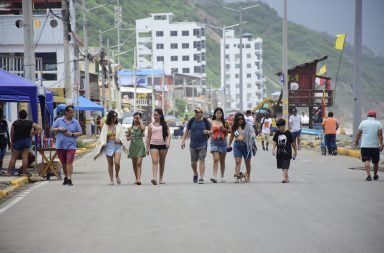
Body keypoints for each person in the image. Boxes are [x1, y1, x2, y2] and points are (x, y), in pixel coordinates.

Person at [94, 111, 129, 185]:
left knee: (117, 162)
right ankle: (111, 179)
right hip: (108, 145)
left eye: (116, 116)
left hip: (117, 145)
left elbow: (122, 136)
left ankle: (117, 174)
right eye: (113, 117)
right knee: (110, 164)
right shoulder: (105, 126)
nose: (115, 118)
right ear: (110, 117)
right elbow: (102, 136)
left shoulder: (119, 125)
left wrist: (119, 140)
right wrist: (103, 143)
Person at [51, 105, 82, 186]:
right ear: (66, 112)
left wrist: (71, 134)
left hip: (71, 145)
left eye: (73, 112)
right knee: (64, 163)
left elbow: (80, 132)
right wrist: (59, 129)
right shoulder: (59, 120)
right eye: (71, 112)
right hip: (60, 145)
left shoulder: (75, 122)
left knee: (69, 161)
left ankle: (69, 178)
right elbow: (51, 129)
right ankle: (65, 176)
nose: (72, 114)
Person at [181, 106, 211, 184]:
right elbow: (186, 131)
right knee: (193, 163)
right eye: (195, 112)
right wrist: (183, 141)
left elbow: (212, 131)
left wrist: (208, 132)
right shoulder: (191, 121)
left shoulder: (205, 121)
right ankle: (195, 173)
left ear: (202, 113)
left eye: (198, 112)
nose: (196, 114)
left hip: (203, 144)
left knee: (202, 161)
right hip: (193, 145)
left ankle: (201, 178)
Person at [7, 110, 41, 176]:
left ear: (19, 116)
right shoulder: (30, 122)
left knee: (13, 157)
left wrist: (12, 142)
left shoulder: (15, 123)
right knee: (25, 157)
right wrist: (33, 133)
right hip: (27, 141)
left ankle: (9, 172)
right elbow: (39, 128)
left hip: (17, 141)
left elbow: (12, 133)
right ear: (26, 116)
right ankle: (24, 172)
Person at [354, 111, 383, 181]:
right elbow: (380, 135)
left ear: (367, 116)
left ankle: (368, 175)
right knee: (376, 162)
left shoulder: (363, 123)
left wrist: (356, 141)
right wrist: (381, 144)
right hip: (375, 146)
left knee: (366, 160)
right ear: (375, 116)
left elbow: (359, 133)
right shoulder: (378, 123)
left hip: (365, 145)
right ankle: (375, 175)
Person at [228, 112, 255, 183]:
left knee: (247, 163)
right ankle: (237, 177)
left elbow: (253, 133)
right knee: (237, 161)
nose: (240, 120)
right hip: (237, 145)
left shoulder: (248, 125)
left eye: (241, 118)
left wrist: (252, 136)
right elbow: (231, 136)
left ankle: (248, 176)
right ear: (236, 120)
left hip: (246, 145)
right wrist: (229, 144)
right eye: (238, 119)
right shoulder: (234, 127)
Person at [146, 108, 171, 185]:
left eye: (156, 115)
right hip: (153, 145)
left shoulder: (164, 124)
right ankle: (154, 178)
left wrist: (167, 142)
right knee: (154, 161)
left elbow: (169, 134)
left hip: (163, 145)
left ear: (160, 115)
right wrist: (147, 148)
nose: (154, 116)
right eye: (154, 115)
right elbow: (148, 137)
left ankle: (161, 178)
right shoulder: (151, 125)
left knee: (162, 162)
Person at [209, 107, 231, 183]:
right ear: (215, 114)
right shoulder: (211, 121)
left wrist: (224, 130)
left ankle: (222, 176)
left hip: (223, 142)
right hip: (214, 141)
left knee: (222, 160)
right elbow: (209, 131)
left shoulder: (225, 122)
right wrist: (208, 132)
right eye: (217, 113)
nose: (219, 114)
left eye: (220, 113)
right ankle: (214, 176)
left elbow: (231, 131)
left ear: (222, 114)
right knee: (216, 159)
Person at [272, 118, 297, 183]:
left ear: (283, 126)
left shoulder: (288, 133)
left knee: (285, 165)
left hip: (287, 152)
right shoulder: (277, 132)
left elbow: (292, 143)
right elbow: (274, 141)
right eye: (278, 127)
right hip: (279, 152)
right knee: (282, 166)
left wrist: (295, 151)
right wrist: (273, 149)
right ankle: (286, 177)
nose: (279, 128)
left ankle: (284, 178)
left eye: (279, 127)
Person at [127, 112, 146, 185]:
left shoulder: (141, 127)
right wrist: (129, 137)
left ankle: (138, 179)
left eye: (137, 118)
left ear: (140, 119)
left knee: (139, 163)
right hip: (133, 146)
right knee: (134, 164)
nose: (135, 119)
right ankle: (136, 177)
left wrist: (140, 121)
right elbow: (127, 138)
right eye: (134, 118)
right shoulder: (130, 128)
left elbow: (143, 128)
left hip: (140, 146)